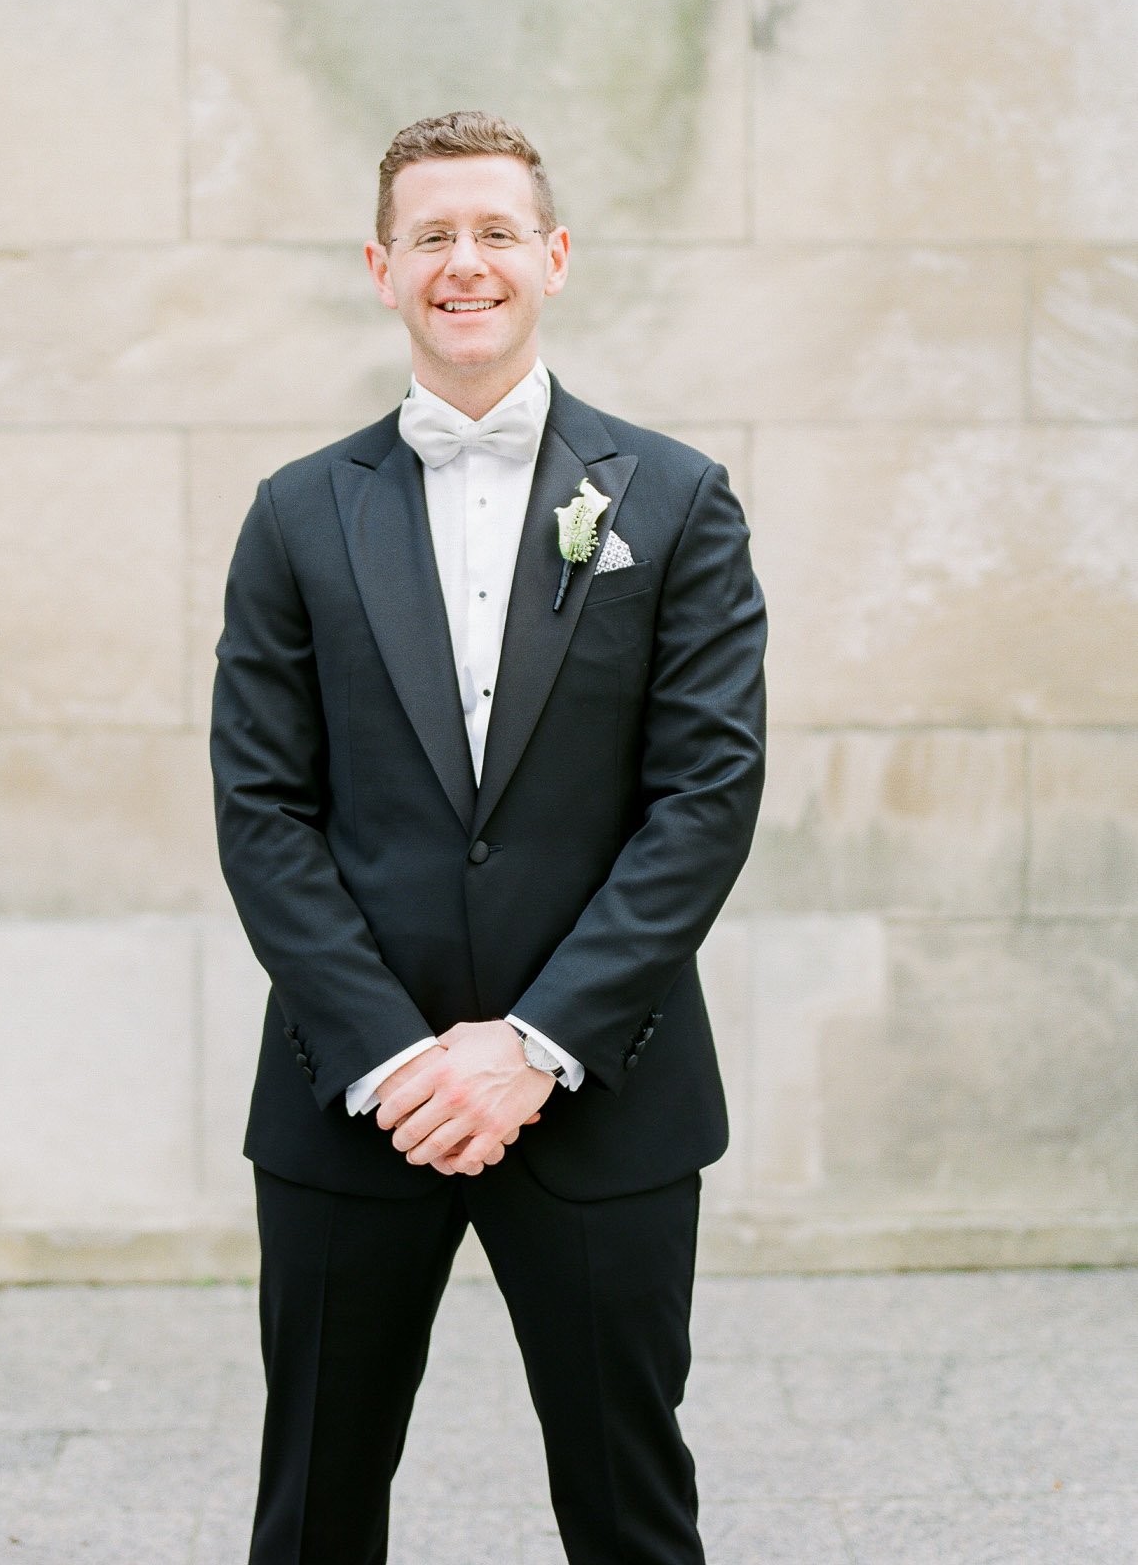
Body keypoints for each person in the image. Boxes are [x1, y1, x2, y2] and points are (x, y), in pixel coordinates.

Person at [210, 109, 767, 1565]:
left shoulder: (678, 499)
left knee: (631, 1510)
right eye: (433, 237)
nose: (467, 262)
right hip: (355, 1094)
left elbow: (703, 800)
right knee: (315, 1506)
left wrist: (529, 1045)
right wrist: (397, 1058)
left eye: (497, 232)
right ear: (380, 268)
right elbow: (260, 810)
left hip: (604, 1088)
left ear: (555, 256)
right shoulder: (293, 516)